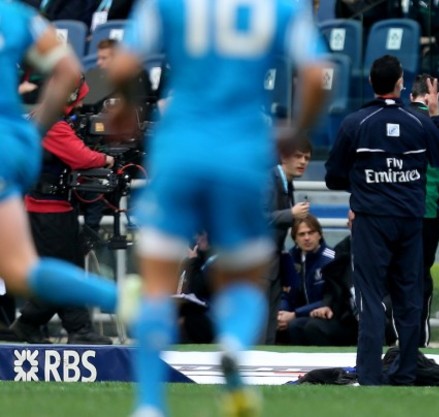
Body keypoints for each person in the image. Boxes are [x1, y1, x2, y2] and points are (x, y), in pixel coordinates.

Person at [108, 1, 327, 416]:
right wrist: (297, 129)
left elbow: (120, 67)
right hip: (240, 155)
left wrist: (125, 106)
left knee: (157, 288)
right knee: (245, 283)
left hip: (178, 150)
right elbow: (317, 73)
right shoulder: (279, 8)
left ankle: (150, 404)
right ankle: (231, 346)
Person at [325, 55, 439, 385]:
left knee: (369, 298)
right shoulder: (418, 121)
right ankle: (405, 372)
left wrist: (365, 182)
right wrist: (436, 115)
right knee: (409, 298)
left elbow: (333, 177)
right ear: (400, 84)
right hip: (410, 222)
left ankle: (369, 375)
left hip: (371, 220)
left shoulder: (356, 122)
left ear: (370, 82)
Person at [0, 0, 117, 341]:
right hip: (9, 145)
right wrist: (34, 131)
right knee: (21, 270)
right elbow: (68, 70)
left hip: (34, 183)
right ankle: (117, 300)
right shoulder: (15, 15)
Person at [10, 78, 115, 345]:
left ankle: (30, 325)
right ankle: (72, 328)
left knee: (67, 267)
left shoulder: (42, 117)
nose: (80, 104)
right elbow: (81, 157)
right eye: (77, 98)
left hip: (48, 208)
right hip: (49, 211)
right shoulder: (54, 125)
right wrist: (107, 158)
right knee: (66, 268)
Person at [263, 138, 312, 345]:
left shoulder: (286, 183)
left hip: (272, 260)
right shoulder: (268, 180)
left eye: (307, 158)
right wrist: (290, 213)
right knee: (260, 318)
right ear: (284, 157)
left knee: (269, 320)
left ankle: (263, 366)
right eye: (298, 156)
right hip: (259, 260)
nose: (303, 162)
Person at [408, 73, 439, 347]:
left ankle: (397, 334)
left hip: (396, 210)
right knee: (421, 274)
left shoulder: (398, 120)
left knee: (395, 274)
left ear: (410, 96)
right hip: (428, 210)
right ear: (437, 97)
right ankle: (419, 337)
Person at [276, 214, 335, 344]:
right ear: (295, 239)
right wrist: (282, 313)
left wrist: (295, 314)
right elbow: (286, 293)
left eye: (311, 233)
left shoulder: (331, 259)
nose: (307, 238)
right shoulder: (289, 259)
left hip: (325, 314)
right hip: (296, 315)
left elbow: (331, 298)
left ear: (319, 235)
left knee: (296, 326)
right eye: (301, 234)